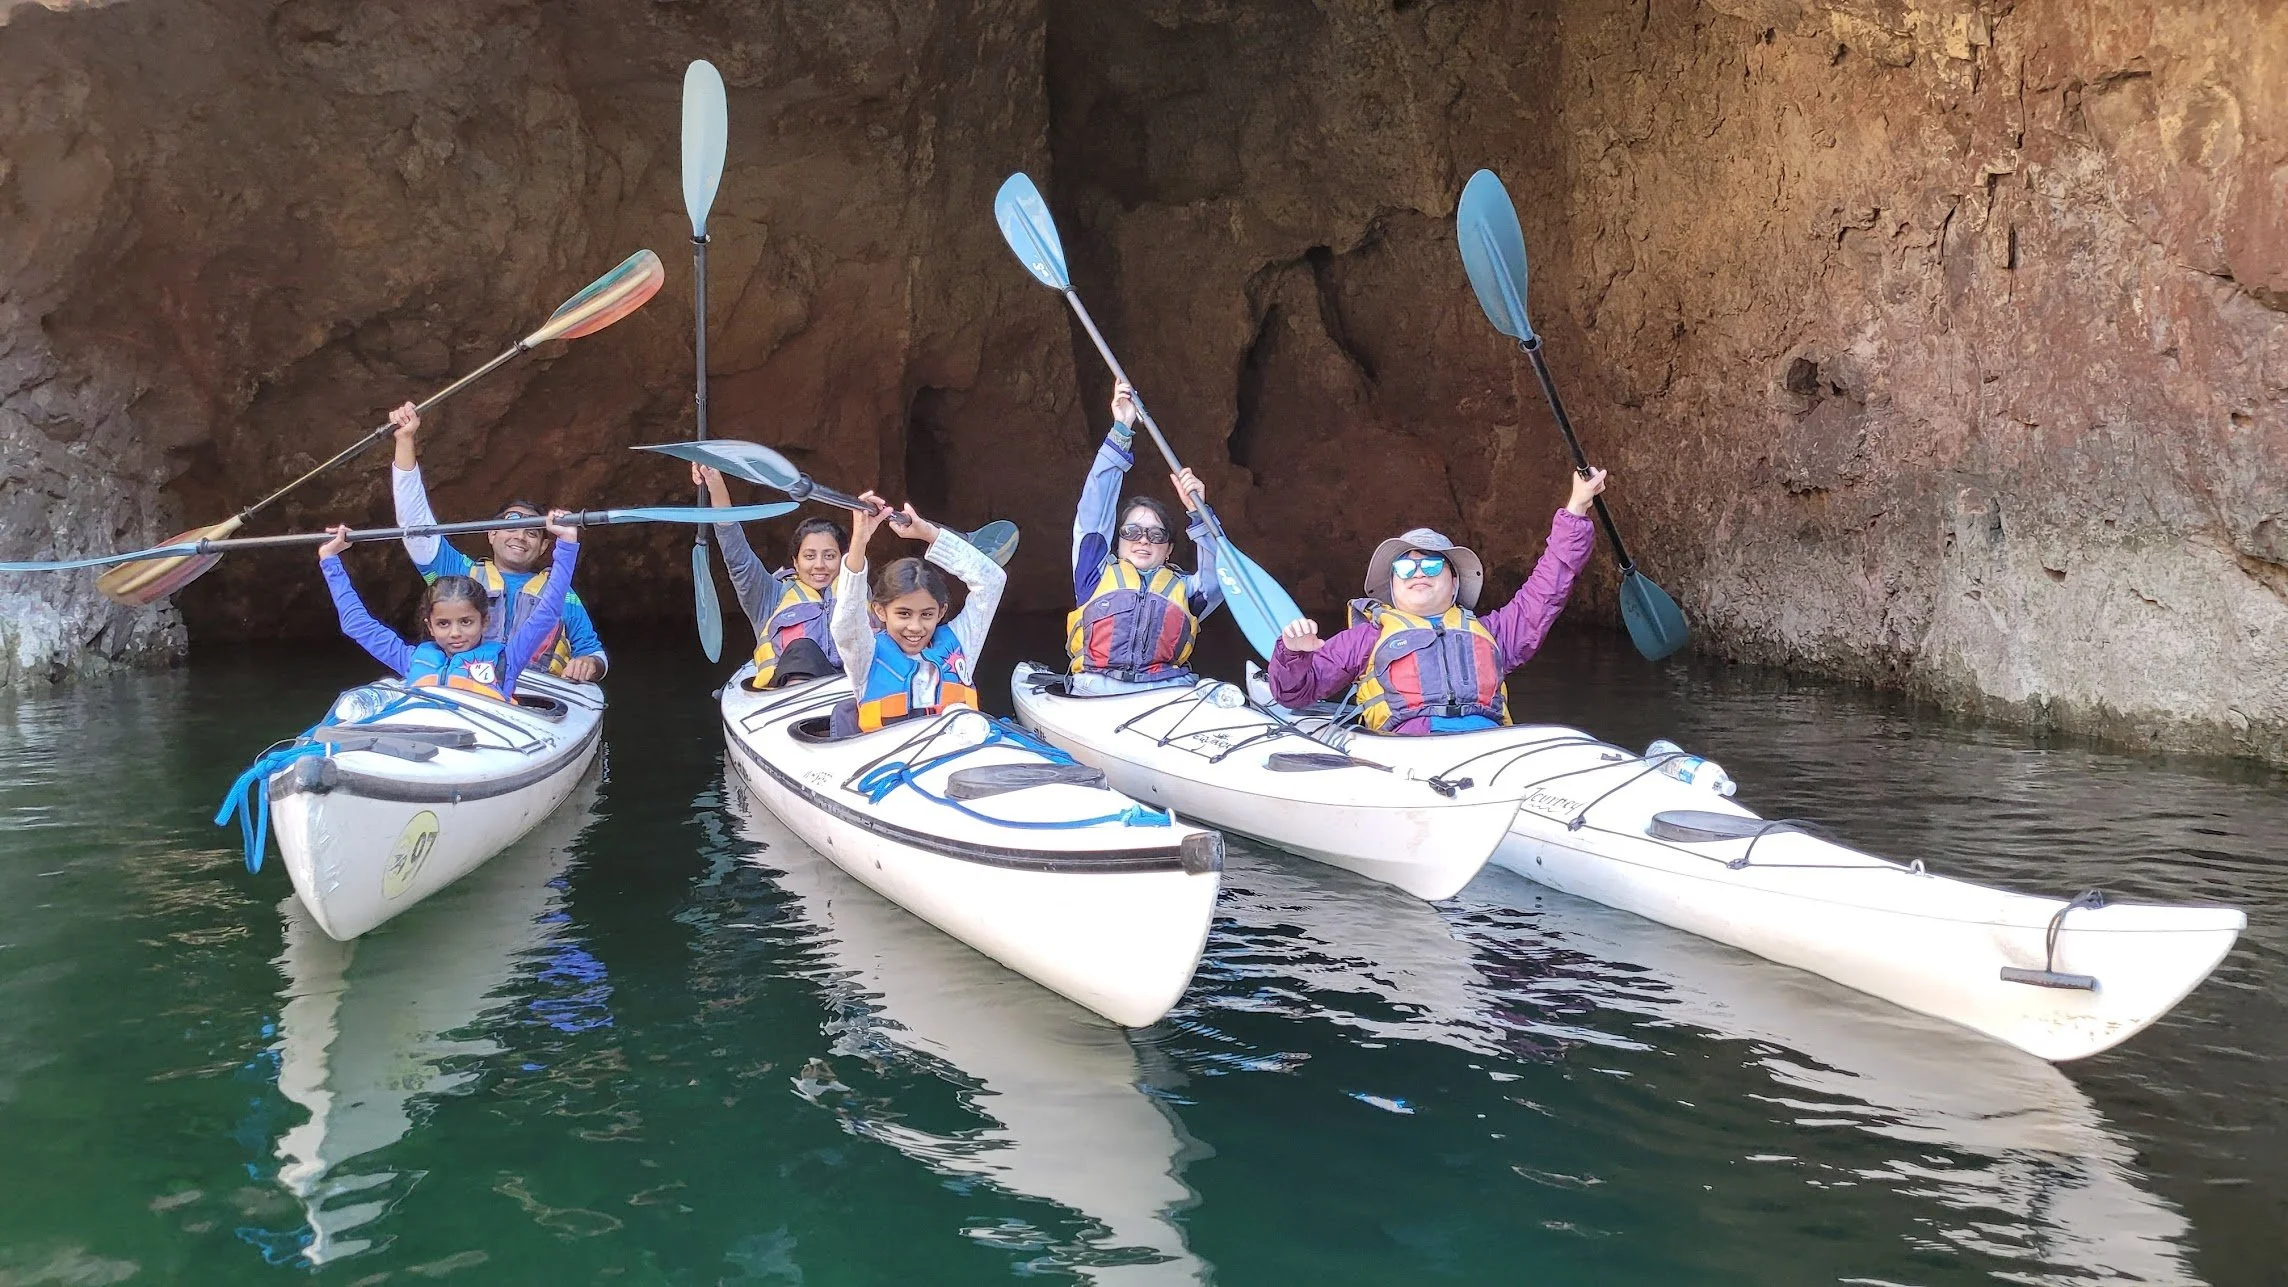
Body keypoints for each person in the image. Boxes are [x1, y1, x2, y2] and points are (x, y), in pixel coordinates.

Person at [1267, 467, 1609, 734]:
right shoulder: (1366, 639)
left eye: (1431, 565)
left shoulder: (1496, 632)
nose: (1418, 573)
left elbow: (1547, 589)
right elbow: (1294, 694)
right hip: (1408, 753)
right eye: (1405, 567)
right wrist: (1293, 654)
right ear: (1393, 585)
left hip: (1488, 748)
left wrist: (1576, 508)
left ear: (1454, 580)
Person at [384, 403, 608, 683]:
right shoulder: (457, 574)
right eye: (511, 526)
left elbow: (592, 650)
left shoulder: (560, 592)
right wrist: (405, 440)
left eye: (532, 532)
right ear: (491, 534)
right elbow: (415, 525)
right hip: (468, 687)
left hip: (537, 693)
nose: (520, 536)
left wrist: (589, 663)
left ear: (543, 548)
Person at [316, 510, 581, 702]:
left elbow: (548, 611)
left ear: (484, 622)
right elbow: (356, 624)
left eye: (466, 622)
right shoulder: (411, 660)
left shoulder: (507, 660)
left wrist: (567, 544)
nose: (455, 633)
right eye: (443, 624)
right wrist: (329, 558)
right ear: (429, 626)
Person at [1066, 381, 1223, 694]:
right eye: (1132, 531)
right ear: (1119, 540)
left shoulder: (1188, 590)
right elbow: (1094, 508)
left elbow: (1221, 573)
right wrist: (1121, 431)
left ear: (1169, 549)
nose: (1143, 540)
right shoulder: (1094, 573)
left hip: (1166, 690)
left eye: (1156, 534)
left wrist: (1200, 513)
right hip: (1096, 687)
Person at [827, 490, 1007, 738]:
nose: (915, 626)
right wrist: (859, 541)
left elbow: (992, 581)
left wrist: (929, 534)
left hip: (960, 754)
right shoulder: (865, 655)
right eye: (903, 614)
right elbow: (847, 619)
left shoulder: (962, 642)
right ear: (880, 611)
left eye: (926, 615)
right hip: (892, 760)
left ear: (941, 612)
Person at [694, 462, 847, 688]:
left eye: (830, 556)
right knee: (802, 648)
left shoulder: (855, 591)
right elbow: (738, 558)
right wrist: (714, 483)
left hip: (851, 691)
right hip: (791, 698)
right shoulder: (771, 595)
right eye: (810, 556)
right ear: (795, 562)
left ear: (843, 560)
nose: (819, 565)